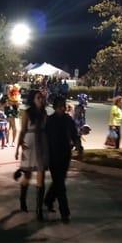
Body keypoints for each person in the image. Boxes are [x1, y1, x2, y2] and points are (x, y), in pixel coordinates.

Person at [44, 96, 83, 224]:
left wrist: (79, 147)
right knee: (60, 185)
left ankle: (49, 200)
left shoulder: (68, 120)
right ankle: (65, 212)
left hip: (65, 155)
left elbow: (74, 135)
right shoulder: (49, 121)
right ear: (55, 107)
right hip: (53, 156)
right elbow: (44, 139)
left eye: (64, 106)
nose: (63, 108)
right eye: (60, 106)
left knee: (59, 182)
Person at [15, 90, 48, 222]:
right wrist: (18, 148)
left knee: (41, 177)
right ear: (33, 100)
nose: (41, 99)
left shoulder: (44, 113)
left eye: (42, 98)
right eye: (38, 97)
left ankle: (39, 210)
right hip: (29, 143)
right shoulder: (27, 113)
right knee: (27, 176)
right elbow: (22, 130)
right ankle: (22, 199)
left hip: (41, 144)